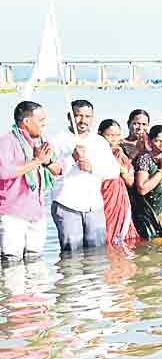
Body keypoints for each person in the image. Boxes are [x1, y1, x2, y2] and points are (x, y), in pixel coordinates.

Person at [49, 99, 116, 252]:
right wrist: (71, 159)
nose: (82, 120)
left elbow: (113, 171)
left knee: (98, 254)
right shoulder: (57, 141)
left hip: (94, 206)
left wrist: (92, 168)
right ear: (69, 116)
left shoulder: (99, 142)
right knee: (71, 256)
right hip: (67, 204)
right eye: (78, 116)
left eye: (87, 116)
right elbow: (51, 174)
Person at [0, 102, 58, 262]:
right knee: (12, 263)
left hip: (37, 212)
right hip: (13, 214)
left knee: (36, 263)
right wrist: (36, 161)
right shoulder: (6, 142)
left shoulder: (42, 142)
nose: (45, 124)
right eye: (41, 120)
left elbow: (57, 170)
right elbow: (5, 172)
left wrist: (46, 162)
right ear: (26, 122)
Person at [97, 119, 136, 245]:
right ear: (100, 135)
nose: (114, 139)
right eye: (110, 135)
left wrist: (120, 168)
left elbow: (131, 181)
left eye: (117, 135)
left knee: (122, 235)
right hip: (101, 196)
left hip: (118, 197)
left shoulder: (120, 154)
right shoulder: (94, 152)